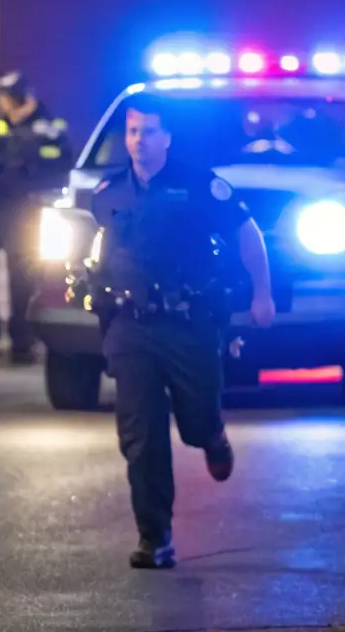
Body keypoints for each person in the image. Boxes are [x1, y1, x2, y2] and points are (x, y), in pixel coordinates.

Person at [82, 101, 275, 570]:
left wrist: (262, 294)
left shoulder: (200, 185)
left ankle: (212, 436)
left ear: (167, 138)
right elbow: (99, 251)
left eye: (149, 131)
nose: (139, 140)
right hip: (132, 326)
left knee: (196, 419)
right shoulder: (108, 192)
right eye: (133, 131)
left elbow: (247, 233)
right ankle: (156, 537)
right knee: (141, 434)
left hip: (188, 324)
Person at [0, 71, 73, 361]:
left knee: (22, 276)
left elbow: (63, 164)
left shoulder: (50, 126)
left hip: (28, 211)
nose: (1, 102)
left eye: (5, 97)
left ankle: (22, 339)